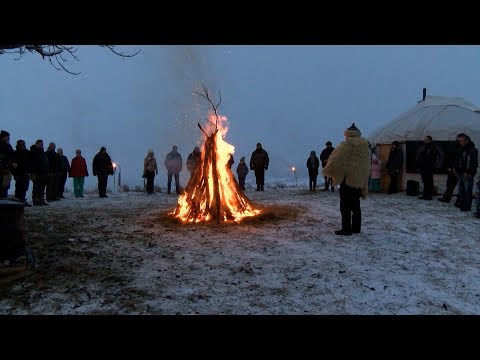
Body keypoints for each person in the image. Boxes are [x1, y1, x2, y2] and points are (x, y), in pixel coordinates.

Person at [322, 123, 371, 236]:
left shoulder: (347, 145)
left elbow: (336, 160)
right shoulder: (365, 147)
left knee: (345, 207)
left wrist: (328, 167)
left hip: (348, 181)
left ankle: (346, 229)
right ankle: (356, 228)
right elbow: (367, 166)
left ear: (348, 135)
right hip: (359, 182)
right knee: (356, 207)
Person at [454, 134, 478, 212]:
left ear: (467, 141)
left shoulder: (472, 150)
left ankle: (467, 206)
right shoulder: (461, 149)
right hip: (461, 173)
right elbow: (458, 160)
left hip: (467, 174)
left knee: (467, 190)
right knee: (461, 189)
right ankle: (462, 203)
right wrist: (456, 170)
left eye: (461, 141)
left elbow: (471, 162)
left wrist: (467, 172)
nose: (460, 142)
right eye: (459, 141)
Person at [438, 134, 464, 203]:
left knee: (461, 186)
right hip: (453, 168)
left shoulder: (464, 148)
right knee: (450, 184)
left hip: (460, 169)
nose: (459, 141)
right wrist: (450, 167)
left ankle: (460, 200)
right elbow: (450, 157)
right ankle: (446, 198)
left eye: (460, 139)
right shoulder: (454, 146)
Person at [29, 139, 49, 206]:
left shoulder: (42, 152)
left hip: (43, 172)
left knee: (42, 187)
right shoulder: (33, 151)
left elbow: (45, 161)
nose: (42, 145)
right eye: (40, 144)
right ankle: (36, 201)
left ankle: (41, 200)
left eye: (42, 144)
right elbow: (32, 162)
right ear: (36, 144)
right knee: (36, 187)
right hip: (36, 173)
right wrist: (32, 172)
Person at [12, 140, 31, 206]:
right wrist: (15, 174)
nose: (22, 145)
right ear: (18, 145)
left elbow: (30, 163)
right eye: (21, 144)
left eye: (23, 144)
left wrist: (30, 172)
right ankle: (18, 202)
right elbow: (13, 165)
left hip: (26, 174)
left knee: (25, 188)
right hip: (19, 174)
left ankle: (23, 201)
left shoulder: (28, 152)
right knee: (18, 189)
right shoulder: (15, 153)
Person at [417, 136, 436, 200]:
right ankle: (425, 195)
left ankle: (429, 195)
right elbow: (422, 157)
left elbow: (432, 158)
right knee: (425, 182)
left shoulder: (432, 147)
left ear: (430, 140)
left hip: (429, 168)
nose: (425, 141)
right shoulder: (424, 147)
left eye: (427, 140)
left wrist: (431, 166)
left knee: (429, 182)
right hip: (423, 168)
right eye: (425, 139)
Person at [0, 130, 16, 198]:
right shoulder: (3, 145)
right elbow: (10, 153)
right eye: (7, 137)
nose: (9, 138)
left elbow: (12, 154)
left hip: (5, 168)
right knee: (3, 186)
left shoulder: (6, 144)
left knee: (5, 186)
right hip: (2, 169)